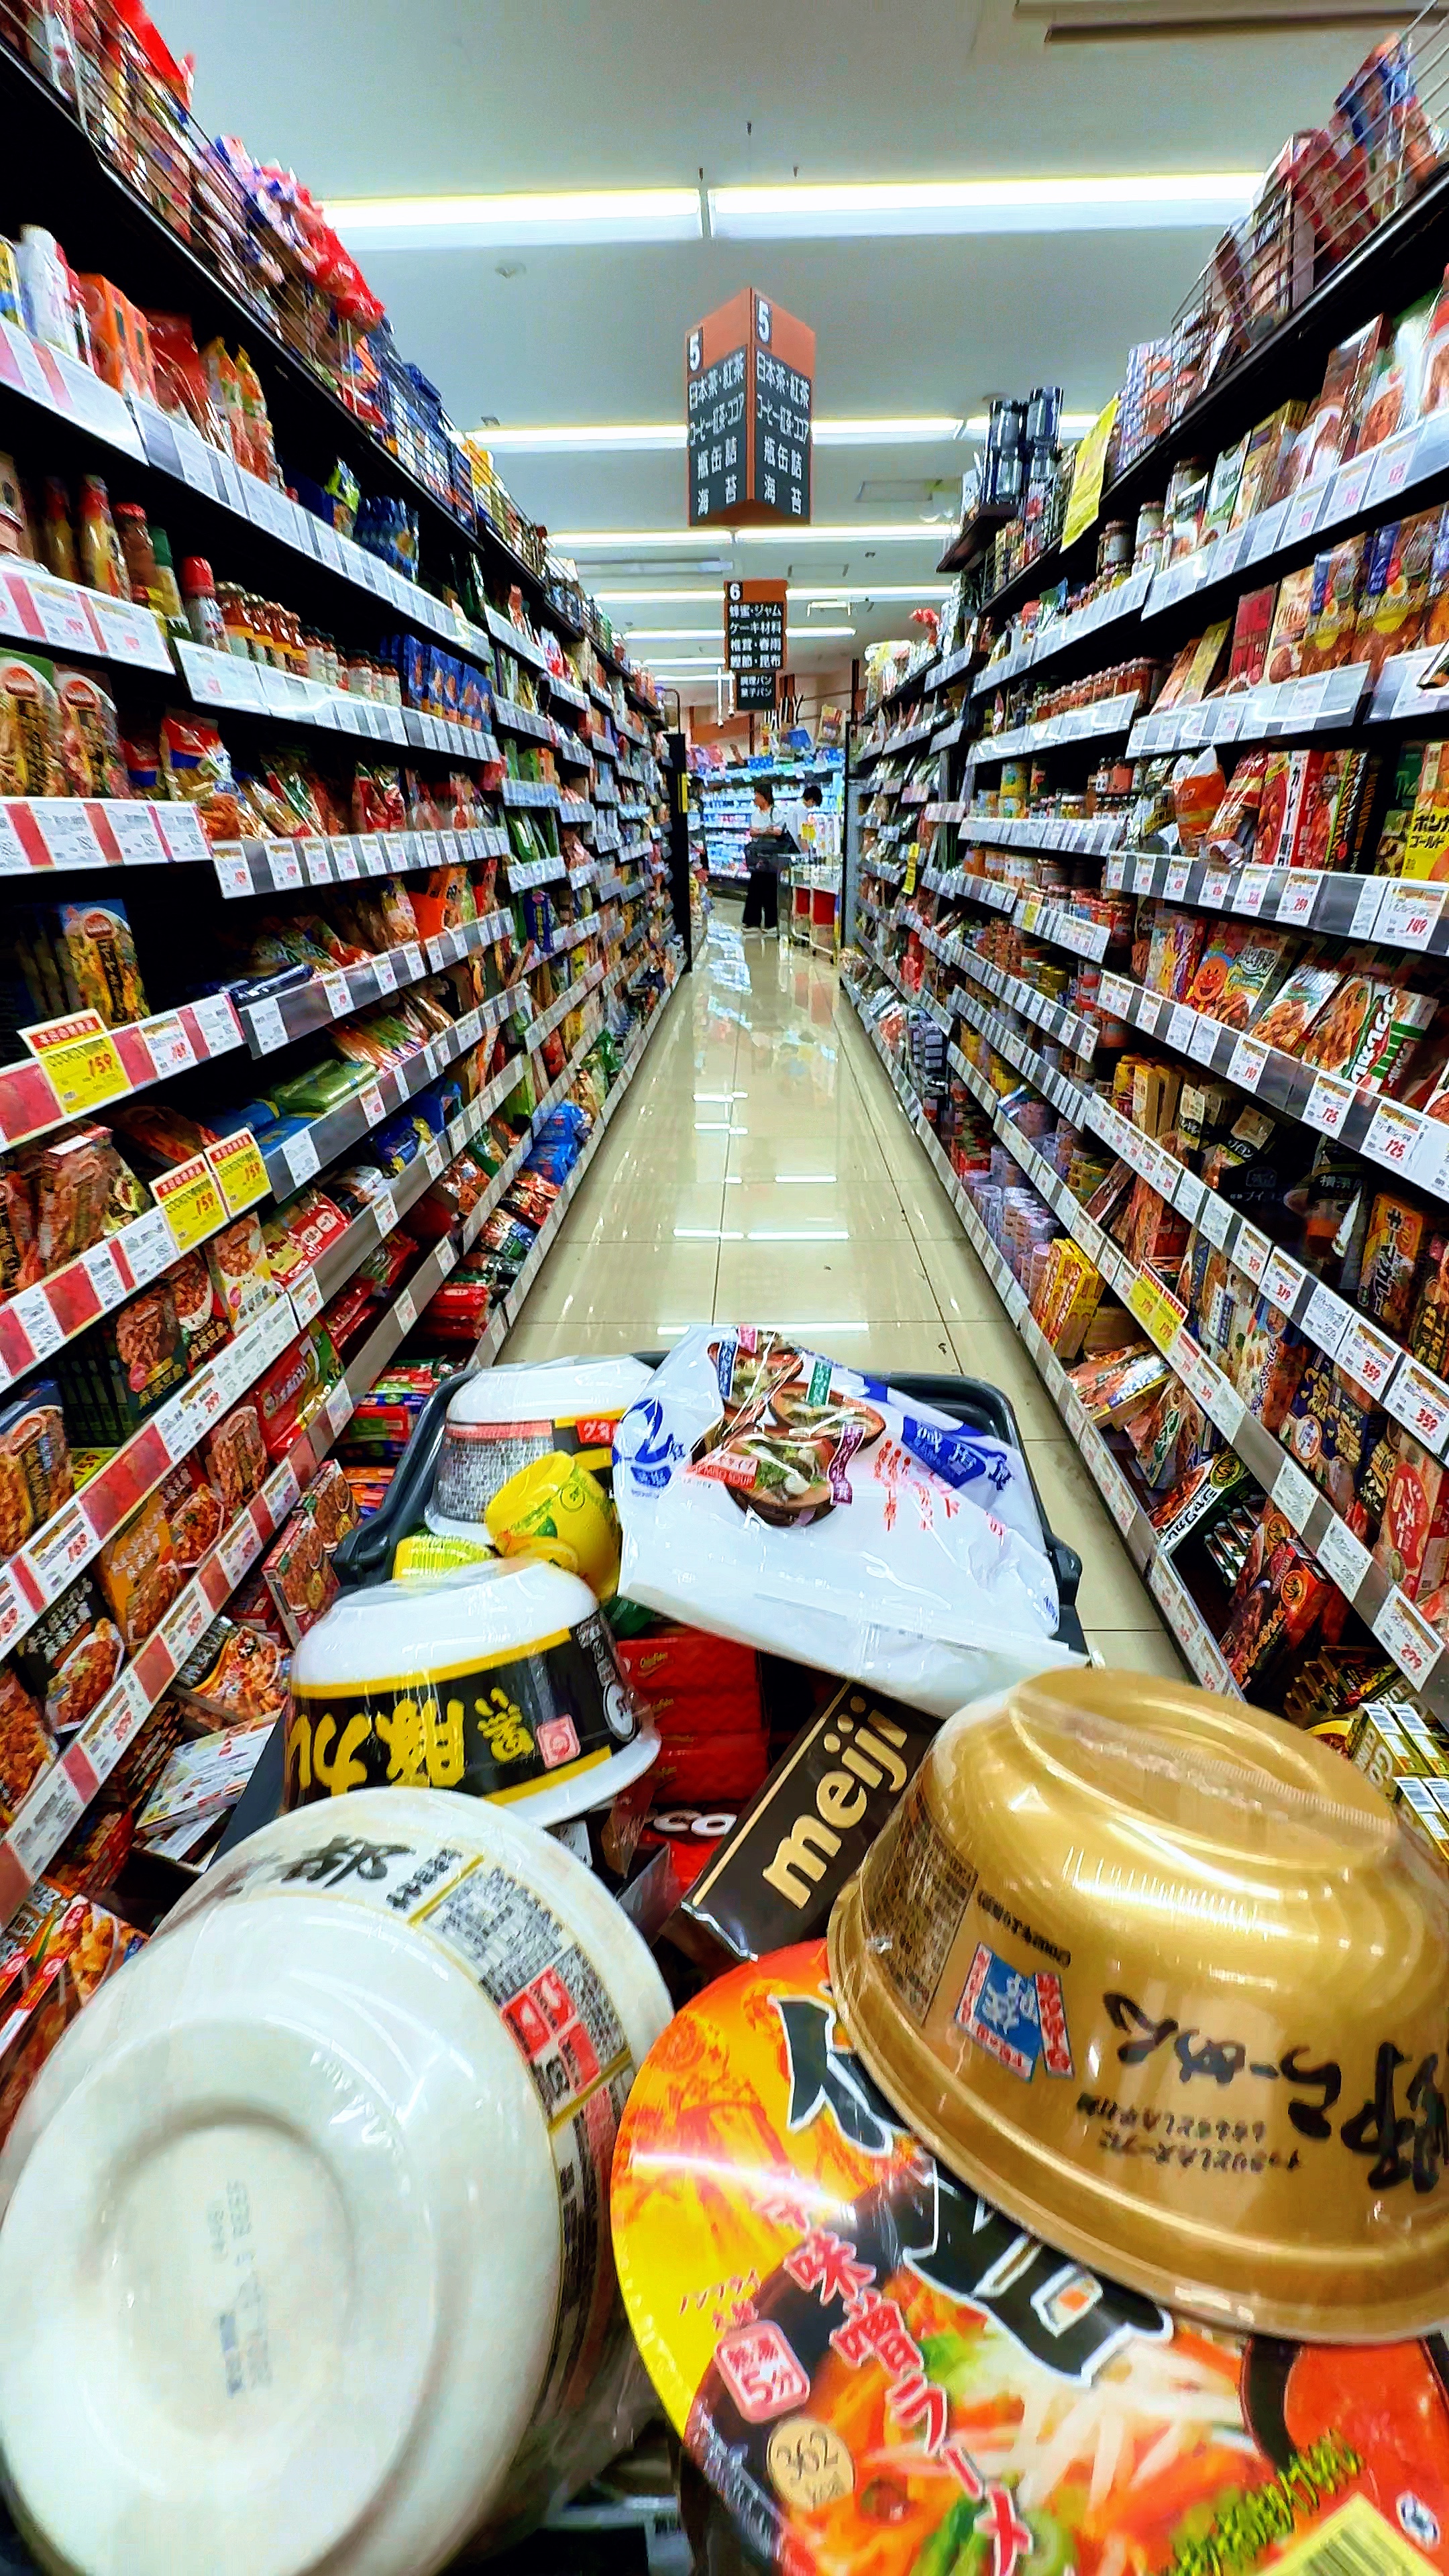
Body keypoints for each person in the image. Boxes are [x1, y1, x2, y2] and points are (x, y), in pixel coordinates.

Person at [742, 783, 796, 932]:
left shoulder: (776, 813)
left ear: (764, 797)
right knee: (755, 887)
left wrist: (761, 831)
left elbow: (778, 831)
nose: (755, 798)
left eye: (757, 795)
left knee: (771, 888)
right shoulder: (755, 814)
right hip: (758, 855)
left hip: (773, 857)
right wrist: (767, 830)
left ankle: (771, 924)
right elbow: (753, 832)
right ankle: (752, 921)